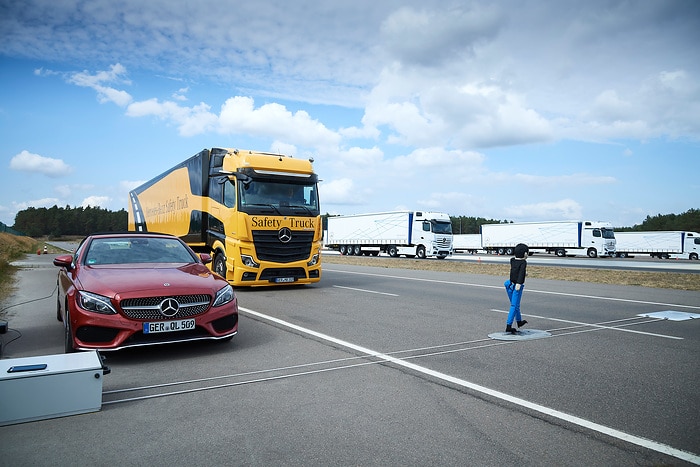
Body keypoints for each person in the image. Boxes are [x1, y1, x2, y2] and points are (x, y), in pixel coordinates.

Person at [504, 243, 529, 334]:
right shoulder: (523, 262)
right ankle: (508, 326)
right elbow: (521, 272)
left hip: (509, 284)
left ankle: (519, 321)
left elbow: (515, 270)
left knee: (516, 305)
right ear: (524, 253)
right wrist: (519, 283)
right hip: (517, 287)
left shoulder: (512, 260)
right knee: (514, 306)